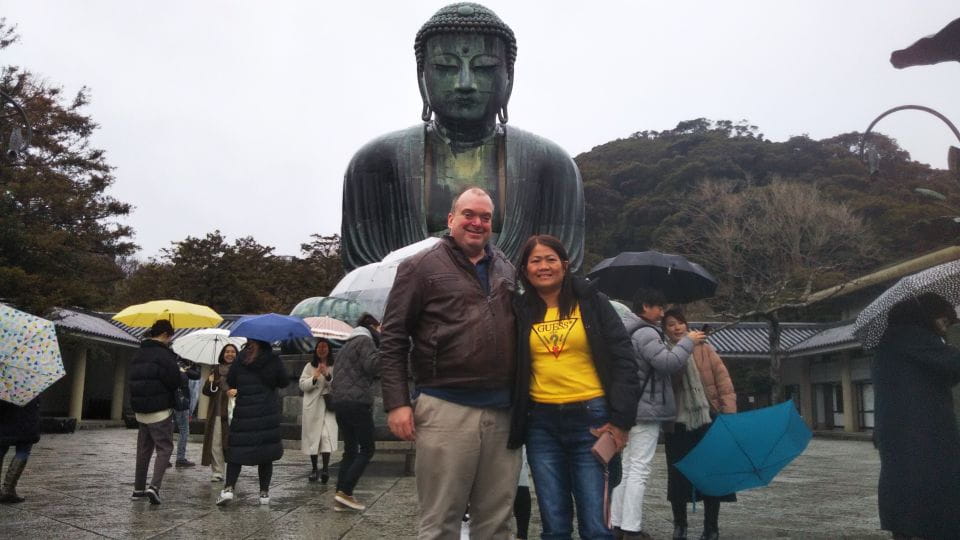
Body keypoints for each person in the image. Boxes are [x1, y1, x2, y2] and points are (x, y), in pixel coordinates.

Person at [340, 2, 585, 273]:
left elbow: (563, 268)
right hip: (414, 304)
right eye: (446, 67)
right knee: (314, 308)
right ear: (423, 78)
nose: (465, 83)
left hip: (515, 305)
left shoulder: (551, 164)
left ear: (509, 77)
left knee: (614, 312)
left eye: (484, 67)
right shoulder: (377, 161)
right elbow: (365, 272)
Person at [381, 186, 520, 538]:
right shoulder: (420, 267)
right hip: (446, 405)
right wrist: (397, 403)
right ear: (451, 219)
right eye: (469, 215)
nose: (477, 223)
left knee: (497, 520)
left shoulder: (506, 266)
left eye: (485, 217)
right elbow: (394, 337)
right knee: (441, 519)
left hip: (503, 411)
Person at [509, 234, 640, 540]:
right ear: (524, 269)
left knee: (596, 525)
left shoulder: (592, 302)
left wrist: (621, 421)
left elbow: (623, 359)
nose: (544, 266)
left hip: (591, 418)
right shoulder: (519, 310)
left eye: (551, 259)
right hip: (541, 423)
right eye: (535, 261)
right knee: (554, 524)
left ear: (565, 265)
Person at [610, 289, 705, 539]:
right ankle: (632, 528)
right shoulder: (646, 332)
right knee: (638, 469)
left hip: (628, 407)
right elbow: (667, 363)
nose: (662, 313)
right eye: (659, 308)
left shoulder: (625, 330)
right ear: (645, 307)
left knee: (626, 469)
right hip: (646, 409)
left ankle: (617, 524)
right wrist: (688, 342)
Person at [872, 292, 960, 539]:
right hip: (923, 431)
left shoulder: (890, 341)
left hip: (901, 430)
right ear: (927, 315)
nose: (944, 328)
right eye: (943, 321)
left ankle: (906, 530)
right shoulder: (912, 336)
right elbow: (954, 364)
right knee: (936, 488)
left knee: (905, 488)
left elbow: (941, 372)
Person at [661, 309, 737, 540]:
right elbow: (666, 382)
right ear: (664, 329)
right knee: (678, 474)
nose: (677, 327)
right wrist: (681, 353)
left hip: (708, 417)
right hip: (678, 422)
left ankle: (711, 527)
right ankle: (680, 525)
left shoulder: (704, 348)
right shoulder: (663, 351)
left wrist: (729, 413)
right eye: (671, 324)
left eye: (680, 323)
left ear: (686, 324)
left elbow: (723, 380)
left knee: (712, 473)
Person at [217, 339, 290, 506]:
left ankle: (228, 489)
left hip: (245, 412)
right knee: (266, 454)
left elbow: (232, 381)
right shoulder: (273, 359)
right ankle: (264, 493)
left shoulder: (241, 359)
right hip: (266, 412)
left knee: (236, 452)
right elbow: (284, 381)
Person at [128, 319, 186, 505]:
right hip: (160, 410)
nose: (171, 341)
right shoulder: (164, 356)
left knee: (143, 450)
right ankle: (154, 487)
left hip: (140, 410)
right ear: (165, 335)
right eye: (171, 337)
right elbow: (174, 382)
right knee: (165, 448)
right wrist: (180, 372)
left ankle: (138, 489)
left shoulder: (138, 353)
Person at [330, 316, 380, 511]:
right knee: (367, 449)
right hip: (357, 402)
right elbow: (373, 366)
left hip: (340, 402)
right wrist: (386, 349)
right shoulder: (365, 340)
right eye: (378, 327)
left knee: (350, 450)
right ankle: (346, 491)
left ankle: (340, 496)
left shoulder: (346, 345)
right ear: (371, 327)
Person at [299, 338, 338, 484]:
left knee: (325, 436)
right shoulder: (309, 366)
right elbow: (302, 385)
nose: (322, 349)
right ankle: (315, 468)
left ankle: (326, 469)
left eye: (325, 347)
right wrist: (314, 378)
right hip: (313, 406)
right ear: (315, 350)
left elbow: (338, 384)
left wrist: (327, 375)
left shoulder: (334, 366)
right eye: (319, 347)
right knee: (313, 438)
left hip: (328, 405)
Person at [201, 343, 237, 482]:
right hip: (217, 410)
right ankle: (217, 471)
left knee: (232, 442)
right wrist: (211, 382)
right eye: (227, 351)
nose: (229, 354)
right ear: (222, 354)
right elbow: (206, 391)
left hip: (234, 410)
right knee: (216, 442)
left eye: (233, 352)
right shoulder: (215, 369)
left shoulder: (239, 370)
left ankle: (233, 470)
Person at [0, 397, 40, 504]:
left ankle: (7, 490)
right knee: (23, 451)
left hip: (5, 420)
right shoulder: (32, 384)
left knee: (1, 449)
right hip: (26, 422)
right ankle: (8, 489)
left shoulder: (4, 385)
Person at [173, 357, 201, 468]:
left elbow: (196, 375)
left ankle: (166, 457)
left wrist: (192, 366)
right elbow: (194, 375)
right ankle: (180, 458)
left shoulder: (180, 365)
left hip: (175, 401)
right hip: (180, 402)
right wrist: (189, 368)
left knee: (171, 429)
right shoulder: (180, 366)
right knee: (184, 429)